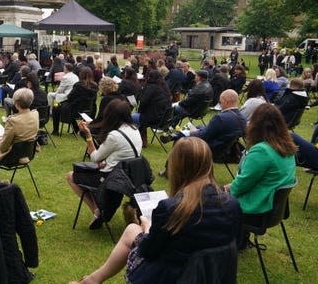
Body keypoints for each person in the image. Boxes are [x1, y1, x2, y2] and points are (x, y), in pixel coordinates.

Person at [70, 137, 241, 284]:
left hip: (172, 276)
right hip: (215, 275)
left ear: (177, 167)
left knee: (134, 230)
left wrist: (148, 227)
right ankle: (93, 279)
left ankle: (93, 280)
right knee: (131, 230)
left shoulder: (172, 208)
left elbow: (147, 251)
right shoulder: (232, 204)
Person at [225, 104, 296, 245]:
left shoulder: (261, 151)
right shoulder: (287, 146)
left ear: (255, 124)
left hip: (256, 211)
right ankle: (239, 240)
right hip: (272, 210)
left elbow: (241, 186)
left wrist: (223, 190)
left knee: (209, 202)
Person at [67, 99, 142, 228]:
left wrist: (88, 135)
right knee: (88, 171)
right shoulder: (135, 129)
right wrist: (106, 161)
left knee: (71, 176)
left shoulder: (114, 135)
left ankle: (96, 210)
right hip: (130, 175)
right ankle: (99, 207)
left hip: (111, 179)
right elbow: (123, 154)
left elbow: (95, 157)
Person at [0, 88, 39, 161]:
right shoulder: (35, 114)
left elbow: (3, 148)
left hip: (12, 156)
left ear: (16, 103)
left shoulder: (13, 121)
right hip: (29, 154)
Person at [52, 67, 98, 135]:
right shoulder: (95, 86)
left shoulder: (78, 85)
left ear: (81, 75)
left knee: (56, 108)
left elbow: (70, 97)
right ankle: (75, 127)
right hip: (89, 110)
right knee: (68, 106)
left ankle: (56, 130)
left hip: (75, 111)